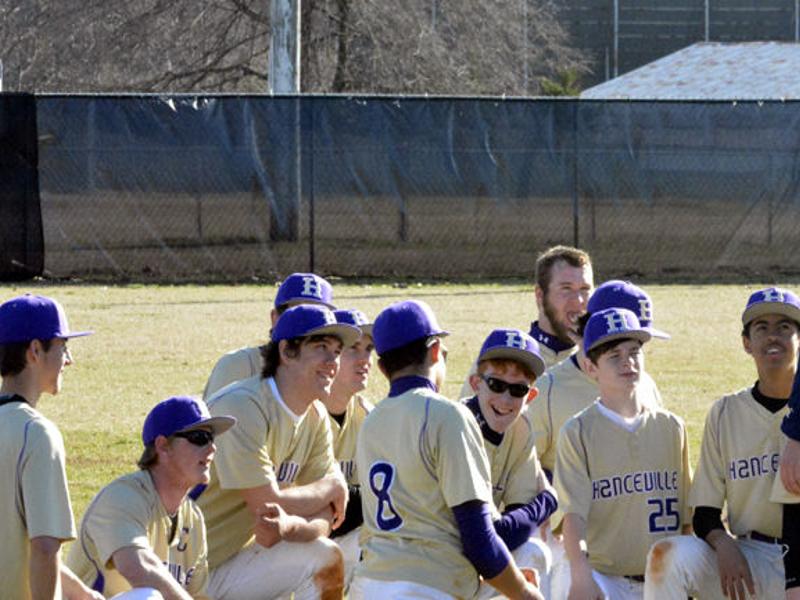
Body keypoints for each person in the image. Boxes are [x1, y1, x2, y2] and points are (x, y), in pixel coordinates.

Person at [352, 300, 545, 600]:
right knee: (529, 561)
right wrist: (525, 593)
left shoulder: (371, 420)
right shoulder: (446, 414)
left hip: (367, 584)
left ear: (381, 367)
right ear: (434, 351)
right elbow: (480, 541)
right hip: (428, 586)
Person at [645, 286, 800, 600]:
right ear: (746, 343)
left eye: (785, 327)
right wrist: (724, 542)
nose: (773, 337)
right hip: (749, 557)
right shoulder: (726, 412)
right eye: (761, 328)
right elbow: (705, 512)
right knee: (670, 556)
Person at [198, 304, 360, 599]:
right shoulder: (243, 406)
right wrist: (331, 486)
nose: (332, 361)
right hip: (179, 568)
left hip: (232, 563)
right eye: (321, 347)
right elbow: (265, 502)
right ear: (286, 352)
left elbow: (329, 515)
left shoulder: (315, 417)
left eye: (337, 351)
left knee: (323, 554)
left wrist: (291, 527)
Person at [529, 280, 666, 598]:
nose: (630, 358)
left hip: (633, 537)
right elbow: (521, 461)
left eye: (636, 347)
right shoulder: (548, 389)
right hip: (569, 541)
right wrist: (553, 495)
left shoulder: (645, 383)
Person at [555, 307, 691, 600]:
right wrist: (581, 576)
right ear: (591, 368)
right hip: (606, 577)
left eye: (634, 352)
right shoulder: (578, 432)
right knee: (566, 576)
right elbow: (573, 516)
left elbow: (687, 516)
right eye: (614, 356)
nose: (627, 362)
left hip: (665, 576)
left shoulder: (671, 427)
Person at [67, 396, 236, 599]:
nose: (212, 448)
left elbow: (197, 596)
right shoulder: (122, 498)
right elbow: (138, 568)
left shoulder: (193, 518)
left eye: (212, 439)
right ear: (163, 446)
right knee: (149, 596)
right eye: (200, 438)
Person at [0, 293, 101, 600]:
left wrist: (81, 594)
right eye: (63, 347)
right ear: (34, 350)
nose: (69, 360)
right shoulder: (36, 434)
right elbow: (44, 548)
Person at [464, 328, 559, 597]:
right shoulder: (456, 425)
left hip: (473, 559)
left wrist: (535, 508)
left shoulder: (521, 430)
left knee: (533, 553)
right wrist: (549, 500)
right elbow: (498, 533)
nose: (506, 399)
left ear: (530, 397)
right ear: (475, 383)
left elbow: (518, 526)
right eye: (496, 384)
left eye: (517, 389)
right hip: (436, 562)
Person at [459, 245, 594, 398]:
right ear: (540, 295)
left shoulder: (602, 364)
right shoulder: (500, 358)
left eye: (585, 288)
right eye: (566, 288)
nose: (578, 300)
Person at [203, 272, 335, 400]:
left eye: (320, 317)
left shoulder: (329, 372)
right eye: (298, 315)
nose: (310, 326)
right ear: (274, 319)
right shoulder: (238, 365)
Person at [324, 308, 375, 587]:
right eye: (353, 349)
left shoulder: (369, 416)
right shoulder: (305, 413)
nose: (364, 359)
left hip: (343, 537)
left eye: (369, 349)